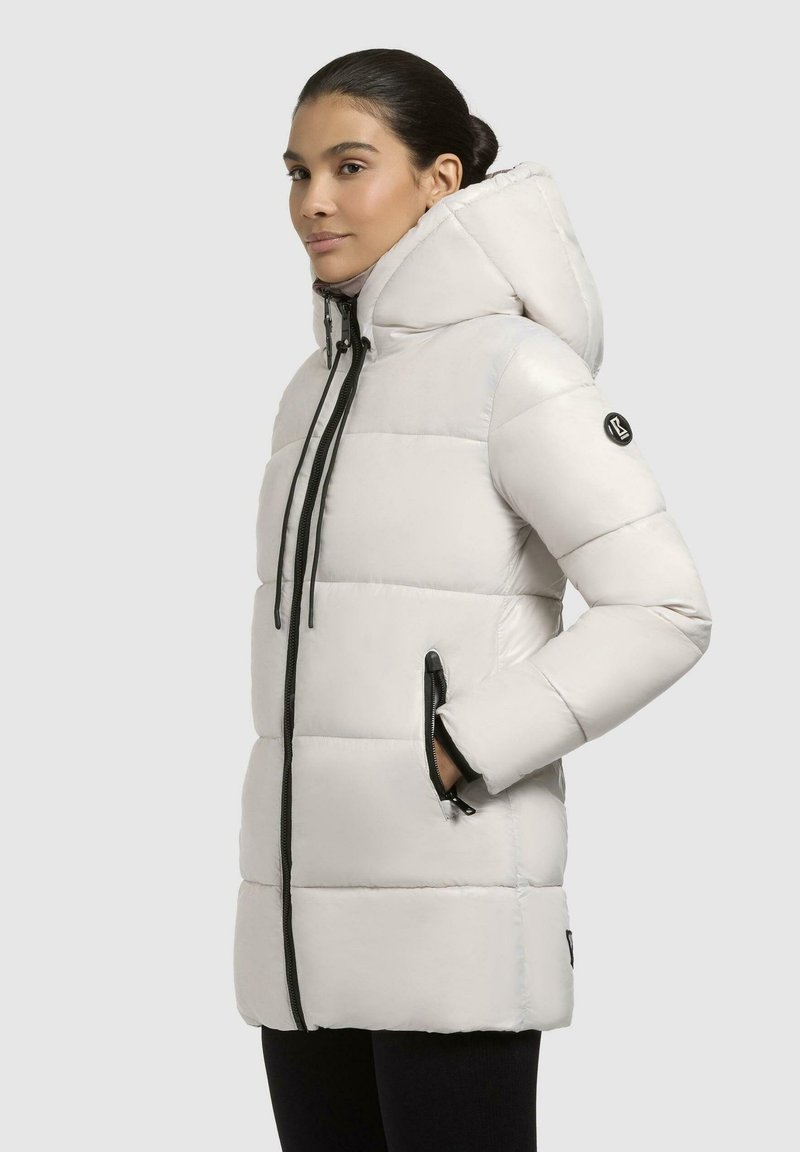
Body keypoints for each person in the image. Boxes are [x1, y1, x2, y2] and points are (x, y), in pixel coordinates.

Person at [234, 47, 713, 1151]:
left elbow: (663, 608)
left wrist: (461, 748)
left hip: (451, 914)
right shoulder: (312, 390)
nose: (313, 201)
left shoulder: (515, 371)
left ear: (439, 179)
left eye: (350, 166)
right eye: (297, 172)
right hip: (299, 929)